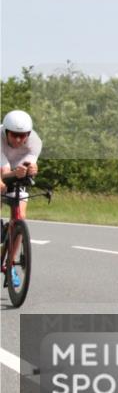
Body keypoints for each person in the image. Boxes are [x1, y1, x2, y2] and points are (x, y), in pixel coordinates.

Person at [1, 110, 42, 278]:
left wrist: (32, 169)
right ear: (6, 132)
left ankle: (10, 264)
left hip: (17, 170)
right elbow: (4, 173)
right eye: (14, 135)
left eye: (22, 136)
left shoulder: (35, 142)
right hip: (3, 168)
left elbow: (29, 167)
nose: (18, 140)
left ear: (28, 134)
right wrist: (12, 175)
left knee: (20, 217)